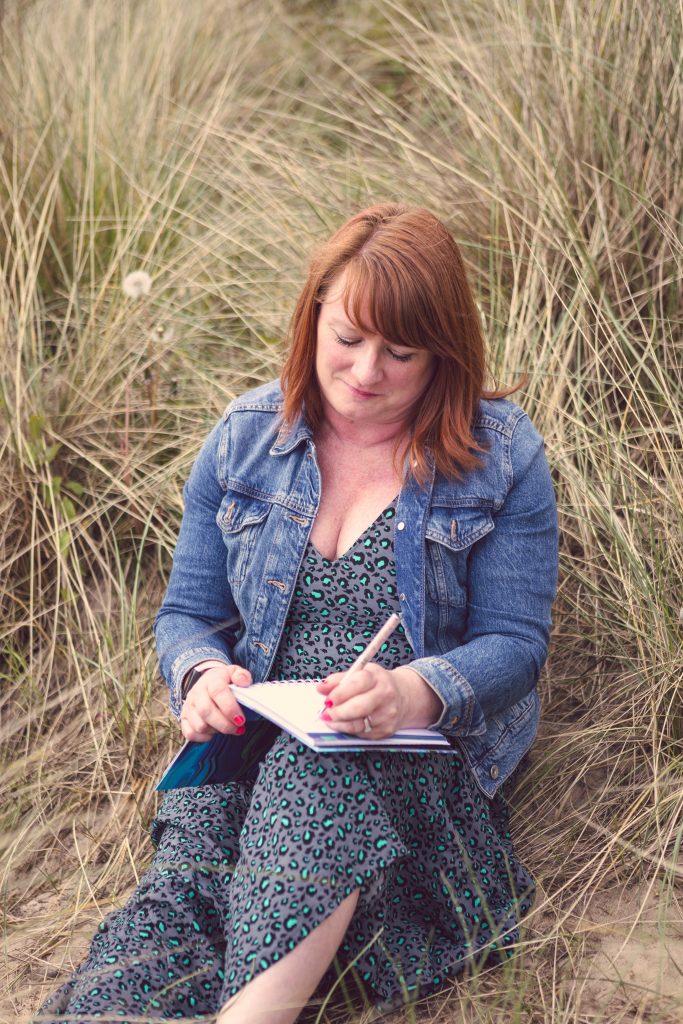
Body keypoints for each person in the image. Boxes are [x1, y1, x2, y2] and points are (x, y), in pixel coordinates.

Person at [36, 202, 558, 1023]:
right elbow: (188, 614)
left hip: (404, 773)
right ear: (312, 316)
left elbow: (516, 643)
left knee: (315, 776)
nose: (366, 371)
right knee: (160, 927)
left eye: (401, 352)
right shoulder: (244, 437)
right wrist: (201, 676)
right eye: (347, 337)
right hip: (245, 753)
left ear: (442, 352)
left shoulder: (499, 454)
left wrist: (410, 692)